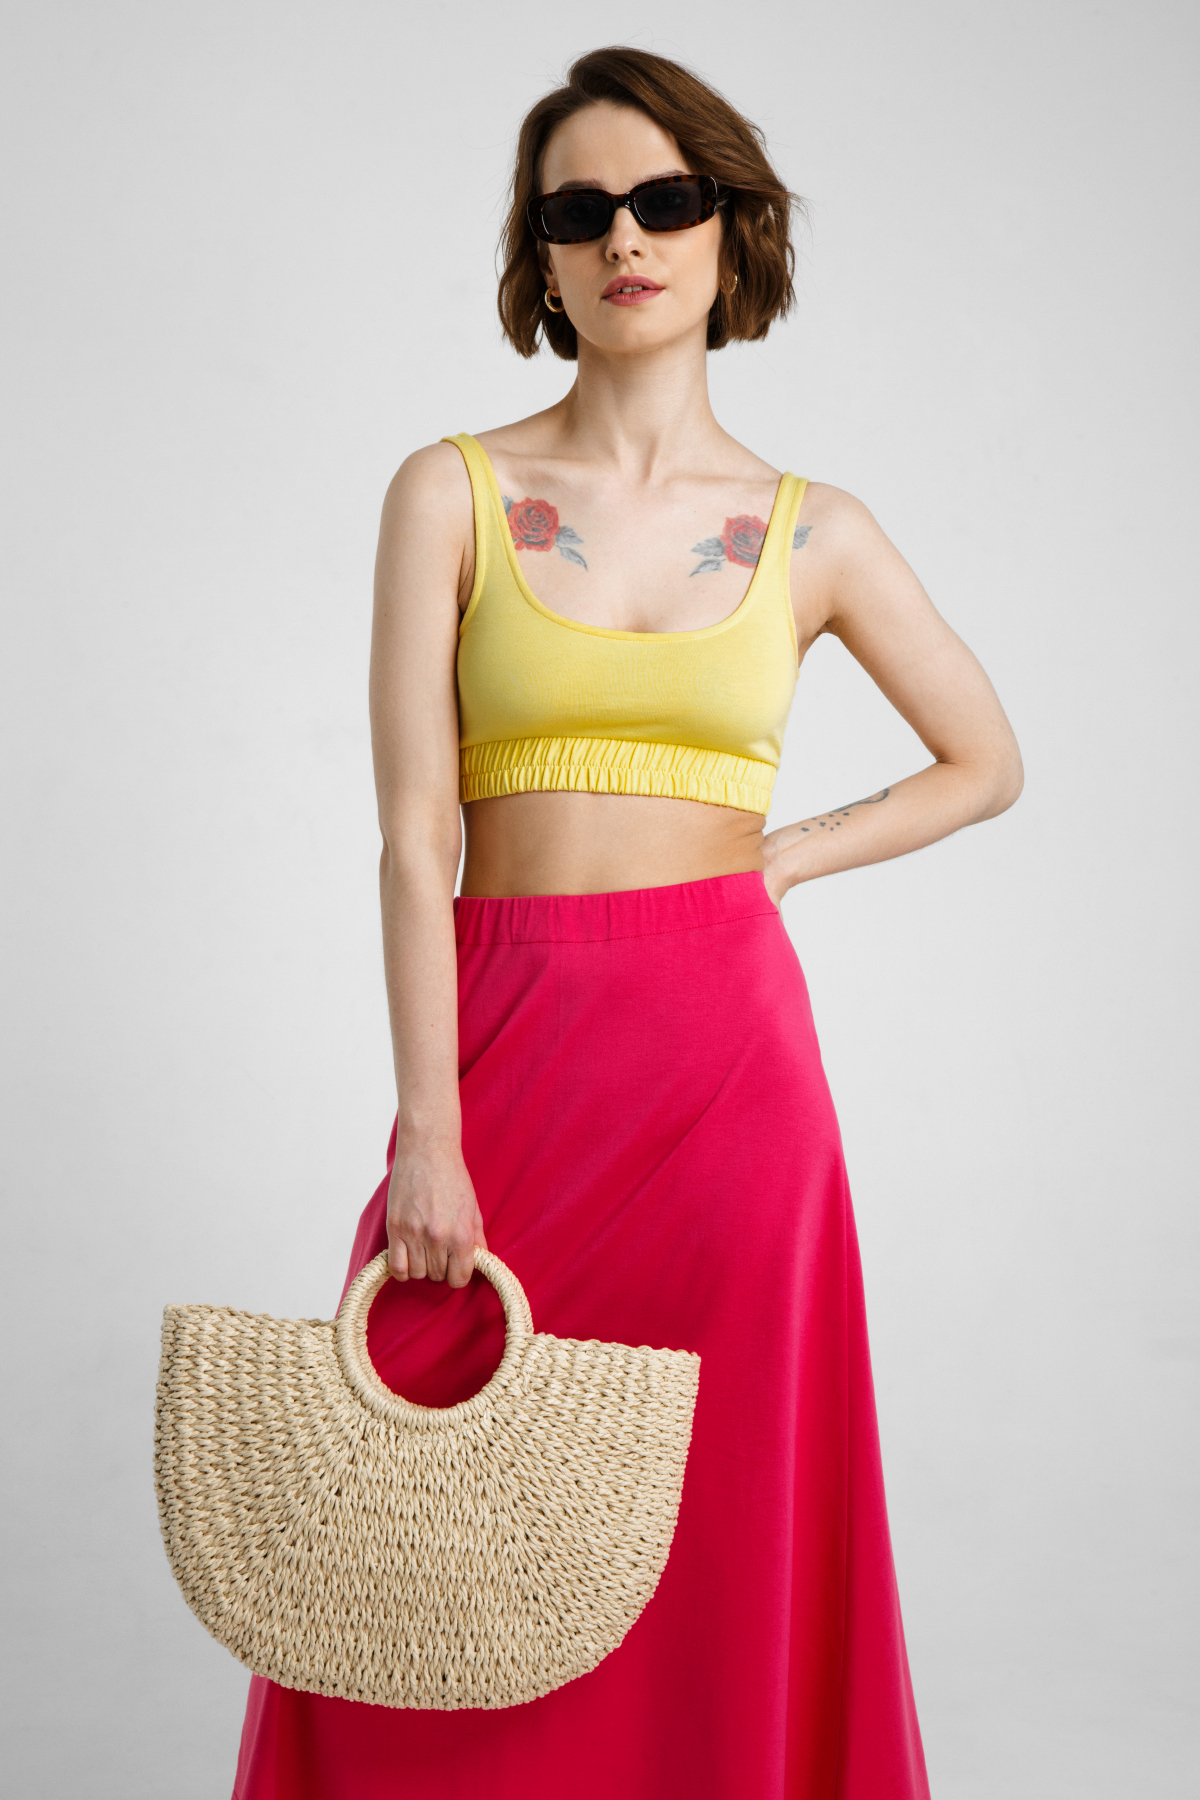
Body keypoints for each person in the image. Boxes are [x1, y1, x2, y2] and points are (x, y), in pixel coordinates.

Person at [233, 44, 1021, 1800]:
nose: (625, 240)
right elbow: (414, 837)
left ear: (734, 232)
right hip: (506, 1051)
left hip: (732, 1081)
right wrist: (428, 1132)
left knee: (723, 1533)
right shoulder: (447, 490)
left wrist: (781, 864)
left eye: (665, 200)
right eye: (578, 211)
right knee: (413, 1521)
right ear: (541, 255)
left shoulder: (813, 533)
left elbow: (988, 760)